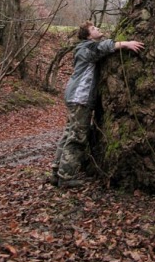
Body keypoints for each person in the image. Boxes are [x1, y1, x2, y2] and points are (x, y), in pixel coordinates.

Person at [50, 20, 144, 188]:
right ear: (87, 35)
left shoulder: (83, 48)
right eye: (93, 28)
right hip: (80, 97)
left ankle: (56, 171)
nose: (97, 28)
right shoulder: (87, 48)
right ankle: (65, 176)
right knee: (78, 136)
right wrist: (126, 43)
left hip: (75, 96)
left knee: (69, 132)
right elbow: (104, 47)